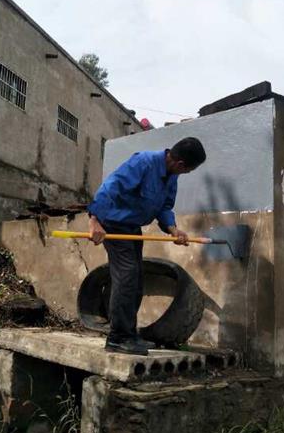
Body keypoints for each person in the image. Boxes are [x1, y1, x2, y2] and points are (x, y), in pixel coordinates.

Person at [87, 137, 206, 355]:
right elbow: (110, 188)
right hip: (114, 224)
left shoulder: (171, 176)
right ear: (180, 165)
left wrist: (173, 230)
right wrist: (94, 220)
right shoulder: (143, 162)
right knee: (127, 276)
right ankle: (117, 338)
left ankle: (128, 335)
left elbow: (164, 206)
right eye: (187, 171)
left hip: (132, 228)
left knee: (137, 279)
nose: (185, 174)